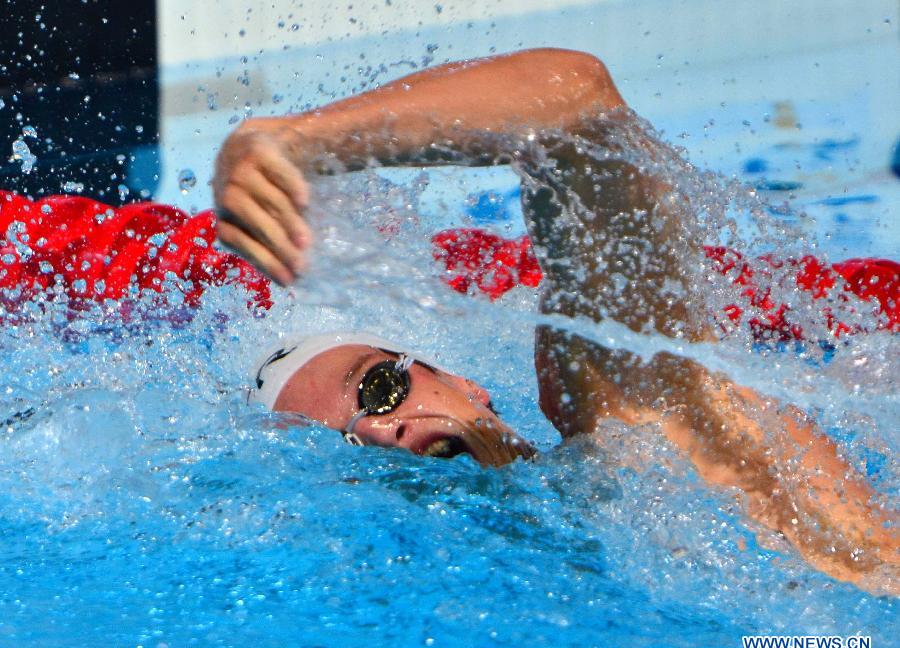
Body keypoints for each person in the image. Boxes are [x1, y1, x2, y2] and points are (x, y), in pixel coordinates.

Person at [212, 49, 897, 593]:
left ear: (462, 381)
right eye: (347, 448)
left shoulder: (629, 425)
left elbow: (575, 101)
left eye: (377, 389)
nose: (375, 428)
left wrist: (293, 140)